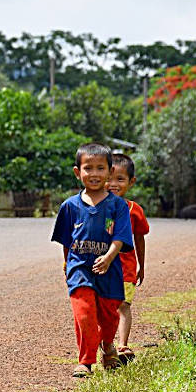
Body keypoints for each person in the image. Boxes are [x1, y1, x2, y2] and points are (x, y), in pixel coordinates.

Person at [52, 143, 133, 378]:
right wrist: (68, 265)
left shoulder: (118, 206)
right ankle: (85, 361)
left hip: (110, 271)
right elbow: (66, 241)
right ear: (78, 172)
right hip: (79, 269)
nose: (94, 174)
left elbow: (120, 237)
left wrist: (108, 258)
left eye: (100, 168)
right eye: (89, 168)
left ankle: (108, 346)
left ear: (109, 172)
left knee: (109, 317)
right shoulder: (69, 206)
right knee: (85, 313)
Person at [107, 153, 149, 364]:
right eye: (110, 178)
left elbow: (139, 239)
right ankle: (106, 345)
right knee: (104, 308)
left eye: (120, 179)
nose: (113, 184)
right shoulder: (94, 207)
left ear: (131, 182)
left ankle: (123, 345)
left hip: (126, 267)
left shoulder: (135, 211)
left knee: (123, 306)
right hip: (101, 268)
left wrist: (142, 265)